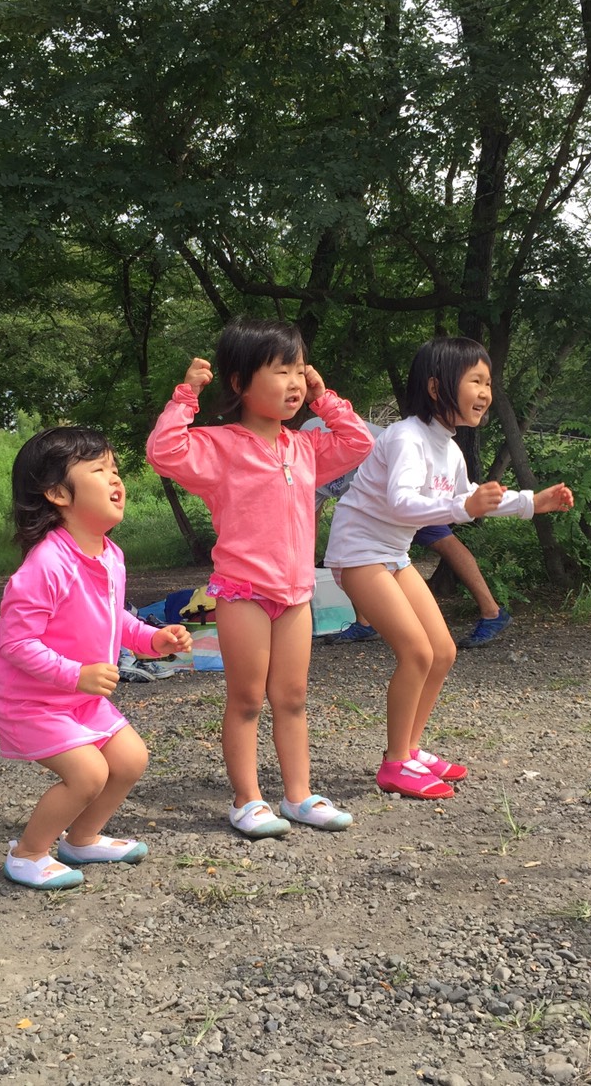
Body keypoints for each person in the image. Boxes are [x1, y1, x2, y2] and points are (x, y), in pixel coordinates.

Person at [147, 318, 373, 839]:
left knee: (292, 697)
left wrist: (325, 399)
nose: (295, 382)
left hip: (295, 595)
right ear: (240, 382)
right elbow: (164, 452)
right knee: (247, 699)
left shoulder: (306, 447)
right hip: (243, 593)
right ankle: (247, 800)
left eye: (300, 370)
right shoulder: (220, 446)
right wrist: (186, 395)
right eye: (281, 371)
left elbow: (358, 442)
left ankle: (299, 795)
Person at [323, 336, 575, 800]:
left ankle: (410, 749)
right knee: (417, 653)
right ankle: (395, 764)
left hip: (393, 553)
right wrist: (463, 506)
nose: (485, 393)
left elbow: (471, 495)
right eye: (475, 381)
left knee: (442, 651)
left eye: (488, 383)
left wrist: (531, 502)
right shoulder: (406, 437)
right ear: (437, 387)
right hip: (359, 551)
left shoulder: (449, 449)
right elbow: (403, 502)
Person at [0, 427, 193, 890]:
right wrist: (75, 674)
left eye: (115, 469)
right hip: (30, 702)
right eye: (99, 470)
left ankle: (81, 839)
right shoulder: (46, 564)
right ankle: (28, 853)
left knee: (131, 759)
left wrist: (153, 639)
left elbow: (113, 616)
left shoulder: (110, 554)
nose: (116, 479)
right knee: (88, 774)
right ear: (59, 494)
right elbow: (15, 644)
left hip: (77, 697)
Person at [306, 419, 513, 649]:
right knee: (353, 556)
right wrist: (307, 568)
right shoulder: (304, 467)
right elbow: (311, 515)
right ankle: (365, 622)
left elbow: (396, 455)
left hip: (409, 491)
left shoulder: (321, 432)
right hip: (373, 515)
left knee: (445, 542)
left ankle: (491, 611)